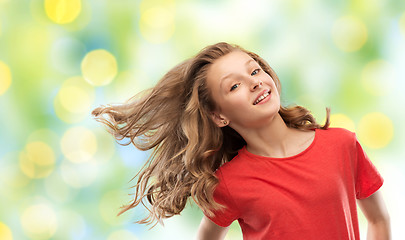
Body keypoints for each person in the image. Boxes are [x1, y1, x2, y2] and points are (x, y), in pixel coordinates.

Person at [92, 42, 390, 239]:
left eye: (255, 70)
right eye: (234, 85)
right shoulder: (230, 185)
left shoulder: (341, 145)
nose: (253, 82)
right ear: (218, 115)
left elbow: (378, 221)